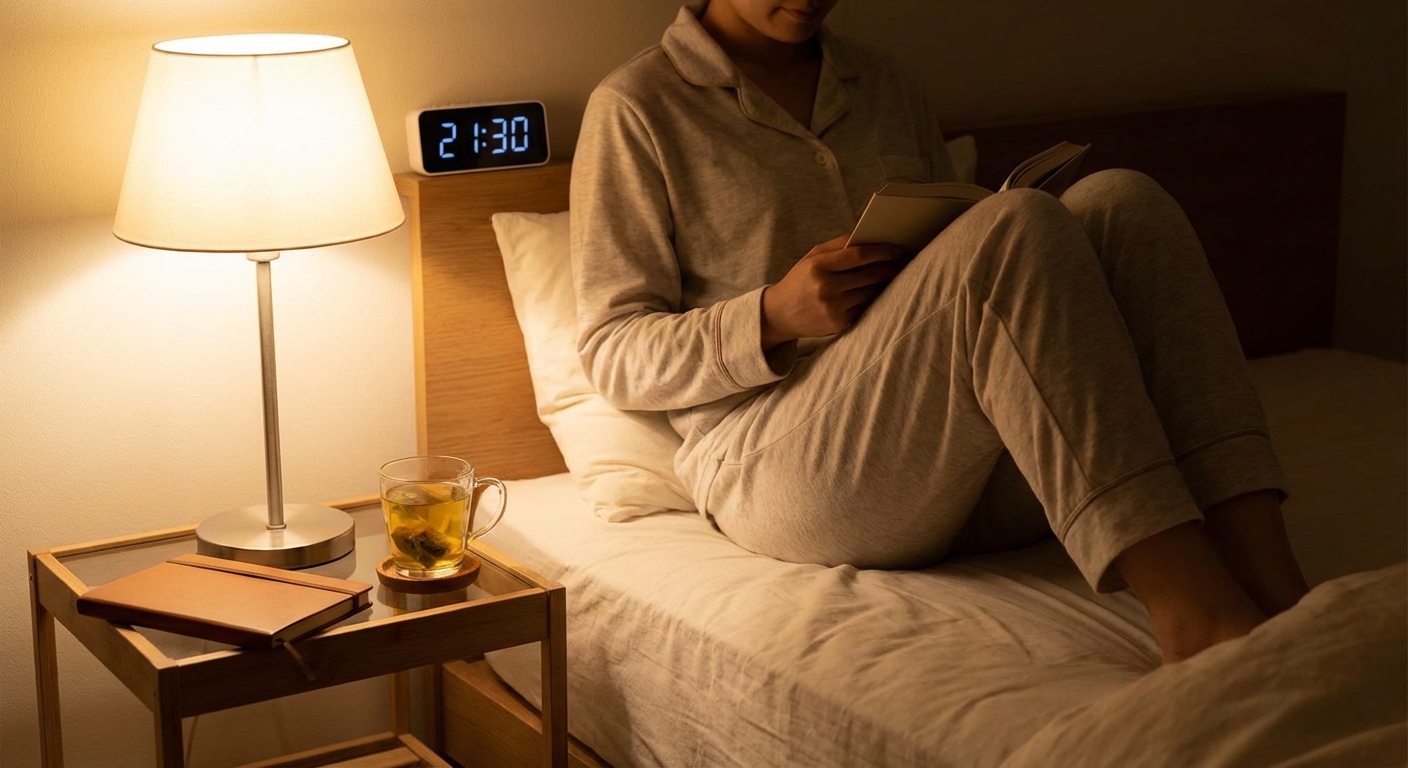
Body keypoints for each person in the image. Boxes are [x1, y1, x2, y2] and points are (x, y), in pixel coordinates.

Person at [570, 0, 1309, 664]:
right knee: (1011, 226)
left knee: (1123, 200)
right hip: (779, 466)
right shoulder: (638, 106)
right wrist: (774, 315)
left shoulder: (887, 85)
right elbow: (612, 349)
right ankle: (1194, 613)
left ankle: (1275, 585)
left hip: (950, 459)